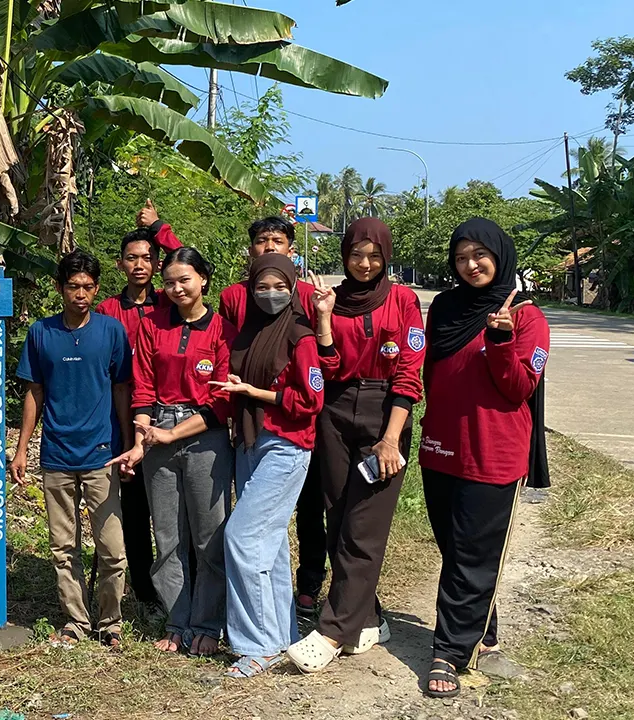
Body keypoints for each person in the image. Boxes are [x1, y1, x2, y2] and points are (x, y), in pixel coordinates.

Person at [284, 218, 425, 674]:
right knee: (338, 515)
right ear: (344, 254)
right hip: (335, 410)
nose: (364, 264)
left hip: (387, 411)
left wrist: (390, 438)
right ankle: (369, 615)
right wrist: (323, 319)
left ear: (386, 256)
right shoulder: (329, 299)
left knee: (365, 526)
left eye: (374, 255)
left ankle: (331, 631)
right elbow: (325, 367)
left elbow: (409, 371)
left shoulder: (403, 300)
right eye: (356, 254)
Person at [418, 219, 549, 698]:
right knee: (456, 550)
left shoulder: (527, 315)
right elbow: (430, 372)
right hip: (440, 448)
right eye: (460, 257)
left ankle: (449, 652)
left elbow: (520, 387)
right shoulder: (445, 308)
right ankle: (484, 634)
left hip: (493, 454)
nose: (470, 264)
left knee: (472, 556)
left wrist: (499, 341)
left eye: (479, 254)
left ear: (498, 253)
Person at [107, 246, 235, 657]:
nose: (177, 288)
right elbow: (142, 387)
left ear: (204, 280)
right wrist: (143, 435)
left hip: (205, 437)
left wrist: (173, 434)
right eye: (170, 282)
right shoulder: (152, 326)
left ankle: (208, 622)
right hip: (156, 428)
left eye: (185, 279)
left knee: (209, 539)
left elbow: (221, 402)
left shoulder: (222, 330)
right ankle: (177, 621)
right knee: (167, 538)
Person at [11, 250, 131, 648]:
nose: (81, 293)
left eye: (88, 287)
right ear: (59, 288)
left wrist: (128, 443)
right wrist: (22, 449)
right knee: (64, 547)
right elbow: (34, 392)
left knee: (112, 548)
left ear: (97, 289)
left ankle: (110, 621)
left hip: (102, 454)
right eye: (73, 286)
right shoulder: (41, 333)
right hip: (57, 455)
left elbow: (120, 389)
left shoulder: (112, 332)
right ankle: (76, 621)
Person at [218, 216, 326, 616]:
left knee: (249, 535)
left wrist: (326, 319)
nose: (270, 293)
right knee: (270, 537)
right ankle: (279, 629)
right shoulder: (238, 304)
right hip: (250, 433)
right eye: (261, 242)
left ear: (292, 252)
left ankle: (261, 634)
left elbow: (317, 380)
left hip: (293, 433)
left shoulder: (308, 311)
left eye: (277, 241)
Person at [94, 216, 173, 607]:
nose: (140, 264)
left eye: (148, 257)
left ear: (158, 262)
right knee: (133, 505)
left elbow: (185, 259)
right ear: (120, 264)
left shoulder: (171, 303)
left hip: (166, 416)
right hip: (120, 416)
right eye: (132, 258)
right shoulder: (107, 309)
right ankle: (141, 586)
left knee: (173, 510)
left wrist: (159, 225)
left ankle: (179, 584)